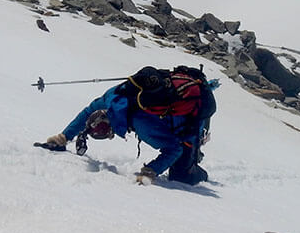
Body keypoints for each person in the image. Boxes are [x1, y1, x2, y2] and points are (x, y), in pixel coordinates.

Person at [39, 67, 216, 185]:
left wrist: (150, 172)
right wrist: (64, 137)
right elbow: (87, 113)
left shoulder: (142, 125)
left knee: (182, 177)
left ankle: (200, 169)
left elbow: (174, 149)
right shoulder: (111, 98)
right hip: (176, 109)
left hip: (191, 124)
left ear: (110, 130)